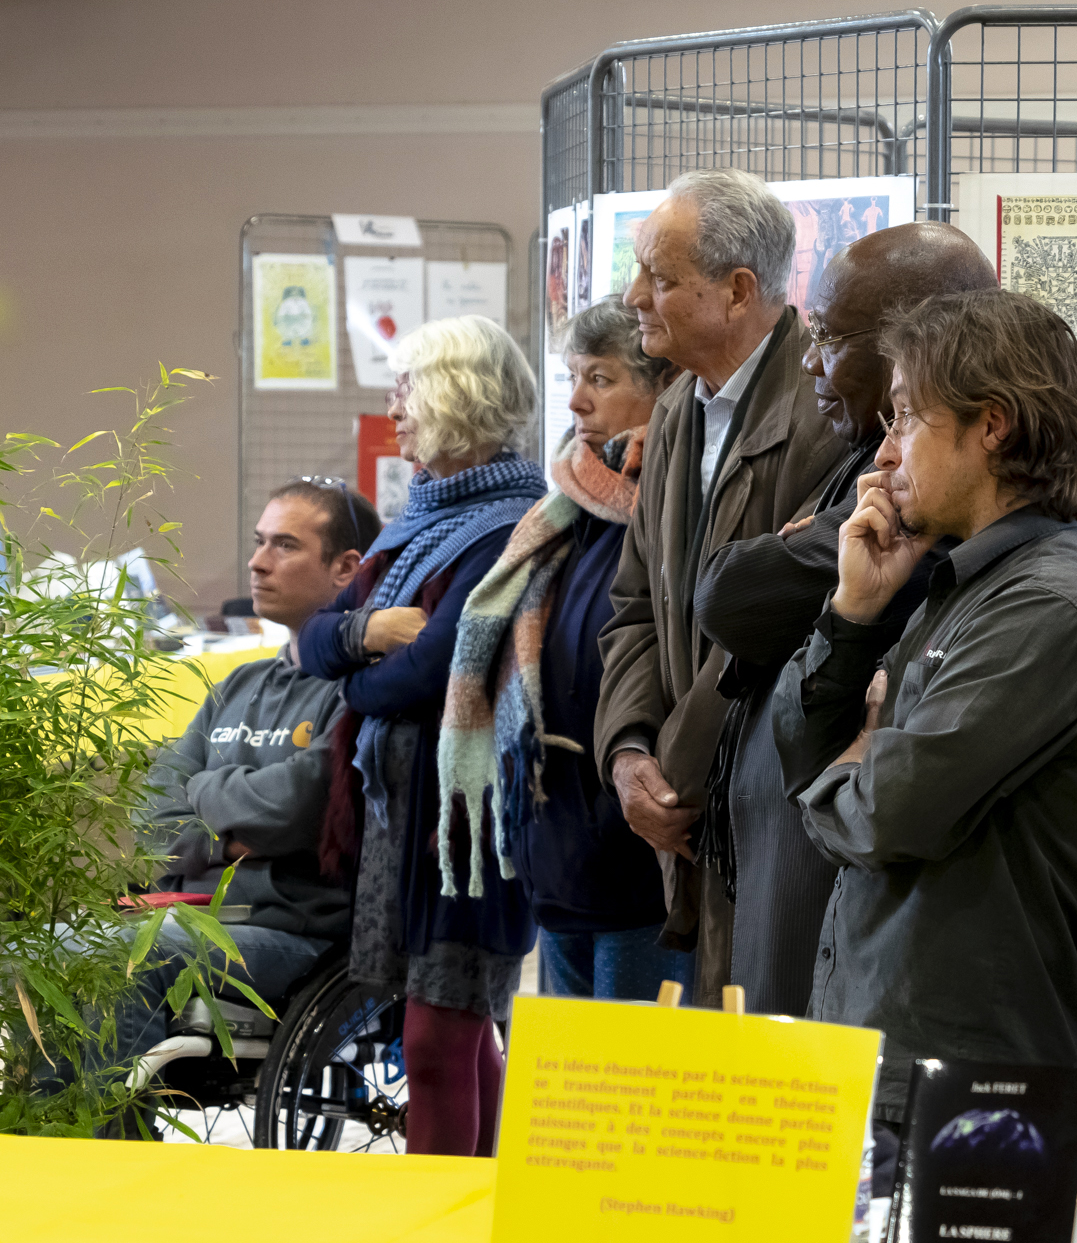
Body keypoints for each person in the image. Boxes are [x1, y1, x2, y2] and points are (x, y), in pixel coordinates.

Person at [770, 288, 1077, 1127]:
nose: (884, 448)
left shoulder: (1050, 608)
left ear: (992, 426)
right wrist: (853, 616)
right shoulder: (951, 587)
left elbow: (890, 814)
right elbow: (801, 747)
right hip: (888, 1054)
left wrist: (854, 763)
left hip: (968, 1088)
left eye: (906, 417)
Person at [693, 223, 997, 1016]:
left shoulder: (929, 515)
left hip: (832, 904)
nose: (809, 359)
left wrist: (810, 570)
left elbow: (731, 597)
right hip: (787, 884)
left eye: (829, 336)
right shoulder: (850, 465)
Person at [594, 168, 844, 1005]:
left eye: (660, 279)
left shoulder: (828, 409)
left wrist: (675, 774)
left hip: (772, 816)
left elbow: (765, 622)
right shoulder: (673, 412)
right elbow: (634, 604)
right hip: (693, 820)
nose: (635, 297)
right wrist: (628, 754)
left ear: (738, 291)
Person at [300, 315, 547, 1157]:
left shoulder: (516, 523)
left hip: (464, 824)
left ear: (457, 396)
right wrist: (367, 640)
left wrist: (358, 668)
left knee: (439, 1041)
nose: (392, 407)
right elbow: (312, 637)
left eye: (406, 388)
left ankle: (449, 1215)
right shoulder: (416, 521)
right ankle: (485, 1203)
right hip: (405, 812)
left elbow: (433, 669)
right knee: (455, 1032)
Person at [439, 301, 690, 1001]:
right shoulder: (567, 512)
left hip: (639, 857)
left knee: (635, 1091)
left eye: (601, 379)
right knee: (567, 1099)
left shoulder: (678, 508)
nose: (577, 399)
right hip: (559, 850)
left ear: (662, 386)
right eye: (574, 377)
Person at [130, 481, 380, 1072]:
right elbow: (151, 815)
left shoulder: (362, 689)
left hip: (295, 938)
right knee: (34, 952)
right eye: (259, 541)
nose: (257, 561)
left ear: (346, 568)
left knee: (122, 956)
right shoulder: (237, 684)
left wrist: (204, 799)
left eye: (285, 545)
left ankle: (95, 1147)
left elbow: (299, 806)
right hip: (193, 917)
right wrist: (232, 833)